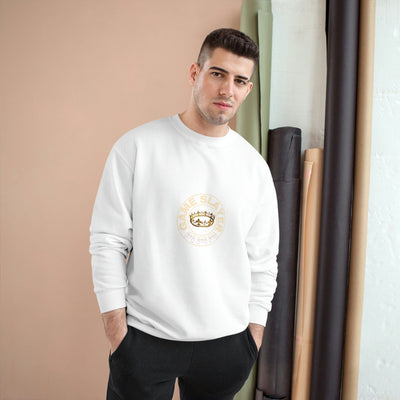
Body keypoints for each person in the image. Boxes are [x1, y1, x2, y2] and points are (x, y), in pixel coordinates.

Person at [89, 28, 279, 400]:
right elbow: (108, 241)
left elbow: (263, 260)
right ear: (195, 73)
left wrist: (252, 337)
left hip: (227, 345)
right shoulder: (138, 147)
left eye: (240, 81)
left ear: (248, 90)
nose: (227, 90)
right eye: (218, 74)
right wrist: (116, 331)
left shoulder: (254, 168)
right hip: (145, 339)